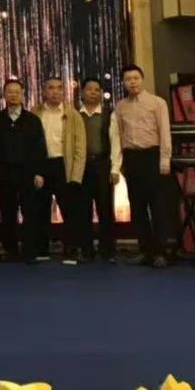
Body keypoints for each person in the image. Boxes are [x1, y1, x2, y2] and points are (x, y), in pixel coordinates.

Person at [114, 64, 172, 268]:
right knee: (137, 207)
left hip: (152, 156)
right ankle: (144, 250)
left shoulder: (157, 103)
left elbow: (165, 133)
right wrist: (120, 164)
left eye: (135, 78)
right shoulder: (120, 106)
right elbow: (119, 136)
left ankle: (160, 252)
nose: (132, 82)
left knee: (158, 206)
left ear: (142, 79)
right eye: (128, 79)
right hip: (132, 158)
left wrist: (165, 160)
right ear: (123, 82)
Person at [33, 77, 86, 265]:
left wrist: (76, 175)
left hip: (64, 165)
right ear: (44, 91)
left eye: (59, 88)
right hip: (42, 166)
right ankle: (41, 248)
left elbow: (80, 147)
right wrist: (35, 170)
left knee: (70, 210)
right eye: (51, 88)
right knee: (40, 209)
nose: (55, 91)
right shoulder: (35, 113)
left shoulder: (73, 115)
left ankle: (71, 249)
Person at [0, 79, 47, 262]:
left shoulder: (32, 120)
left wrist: (39, 172)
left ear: (23, 95)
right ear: (4, 95)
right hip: (5, 174)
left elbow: (40, 148)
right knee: (7, 213)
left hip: (28, 173)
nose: (13, 95)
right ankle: (10, 250)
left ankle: (30, 251)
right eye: (10, 92)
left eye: (17, 92)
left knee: (30, 213)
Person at [78, 77, 123, 263]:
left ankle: (108, 251)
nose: (93, 93)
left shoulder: (108, 114)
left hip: (103, 165)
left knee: (105, 209)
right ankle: (86, 250)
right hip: (81, 167)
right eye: (89, 89)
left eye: (97, 90)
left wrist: (115, 168)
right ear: (82, 93)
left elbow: (115, 141)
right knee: (83, 210)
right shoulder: (75, 115)